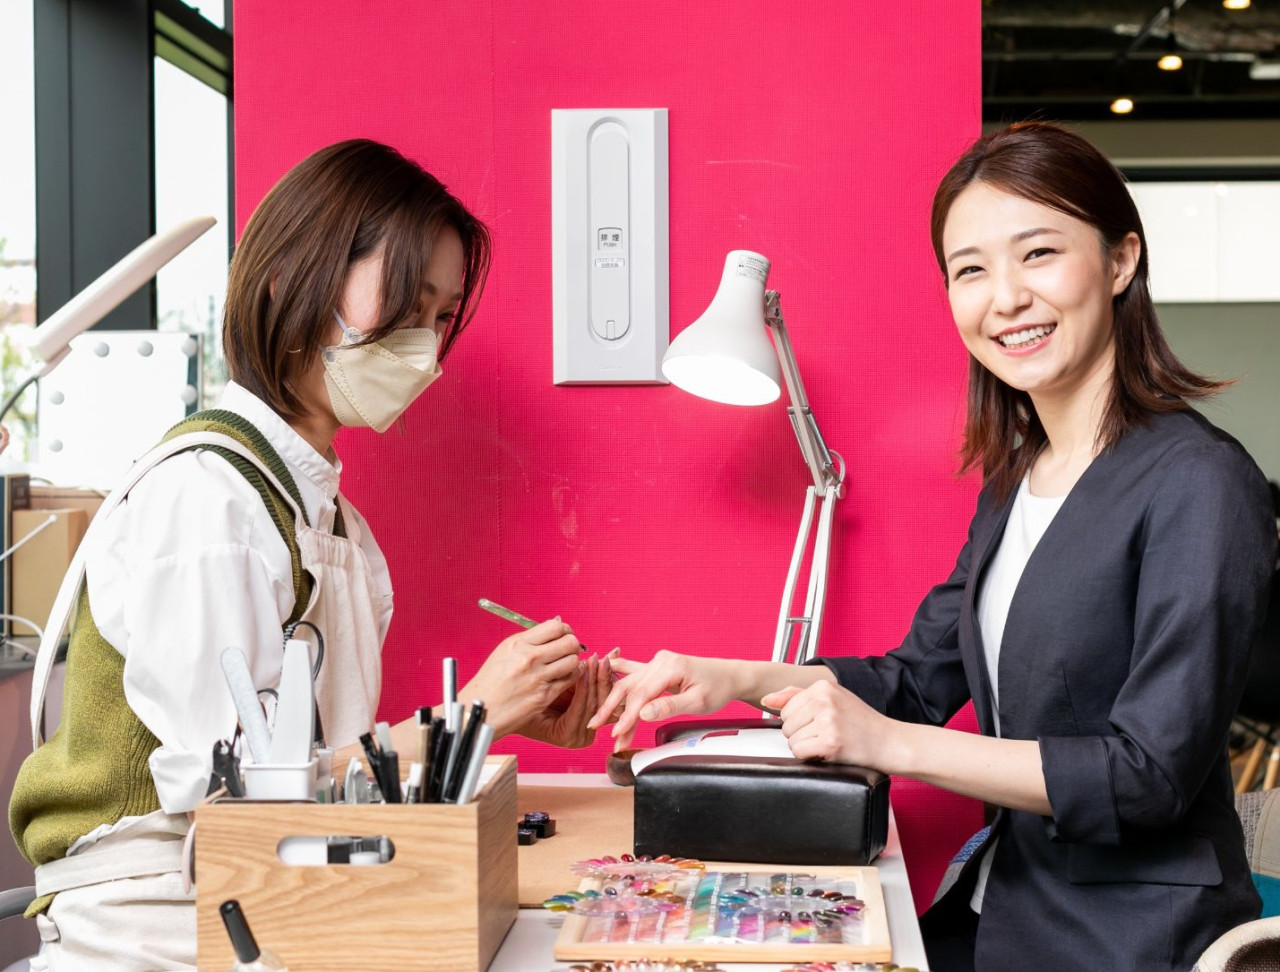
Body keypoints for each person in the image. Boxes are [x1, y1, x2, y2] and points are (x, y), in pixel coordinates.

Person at [590, 122, 1277, 972]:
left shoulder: (1201, 482)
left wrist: (883, 742)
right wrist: (730, 679)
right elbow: (915, 682)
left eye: (1038, 253)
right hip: (1003, 907)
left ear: (1120, 261)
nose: (1006, 298)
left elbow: (1148, 776)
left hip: (1128, 939)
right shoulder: (1018, 477)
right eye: (971, 270)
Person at [9, 138, 610, 971]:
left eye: (441, 318)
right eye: (407, 305)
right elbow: (242, 800)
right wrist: (465, 719)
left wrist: (491, 725)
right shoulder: (207, 501)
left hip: (270, 901)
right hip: (155, 924)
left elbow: (320, 784)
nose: (426, 347)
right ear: (293, 280)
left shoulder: (329, 519)